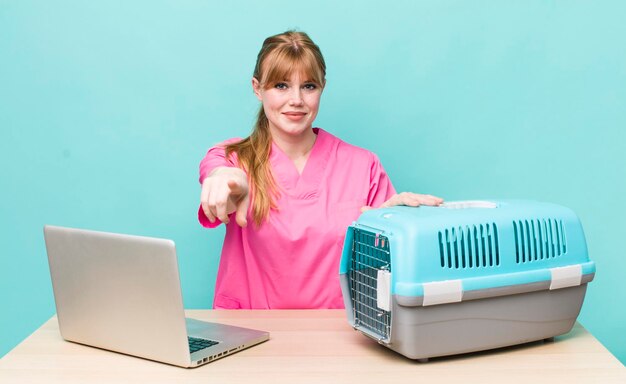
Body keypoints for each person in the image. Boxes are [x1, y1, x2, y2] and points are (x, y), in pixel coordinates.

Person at [198, 30, 442, 309]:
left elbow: (390, 262)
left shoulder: (364, 165)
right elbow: (216, 172)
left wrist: (398, 224)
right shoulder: (232, 159)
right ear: (257, 88)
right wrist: (225, 179)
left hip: (339, 333)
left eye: (309, 86)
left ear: (322, 87)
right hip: (251, 332)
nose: (296, 100)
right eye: (280, 85)